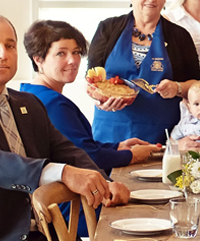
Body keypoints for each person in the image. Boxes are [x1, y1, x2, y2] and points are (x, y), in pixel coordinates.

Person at [0, 15, 129, 241]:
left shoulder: (28, 103)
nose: (3, 54)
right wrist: (63, 172)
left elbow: (65, 150)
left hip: (41, 231)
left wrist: (104, 183)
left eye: (10, 46)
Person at [88, 0, 200, 145]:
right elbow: (91, 79)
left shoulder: (179, 36)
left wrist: (177, 88)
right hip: (111, 132)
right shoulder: (107, 29)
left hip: (161, 135)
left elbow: (198, 85)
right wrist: (99, 99)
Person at [20, 20, 160, 171]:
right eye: (61, 53)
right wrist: (132, 156)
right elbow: (86, 157)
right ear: (38, 59)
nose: (73, 60)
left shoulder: (31, 92)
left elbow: (76, 145)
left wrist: (118, 146)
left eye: (76, 52)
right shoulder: (53, 103)